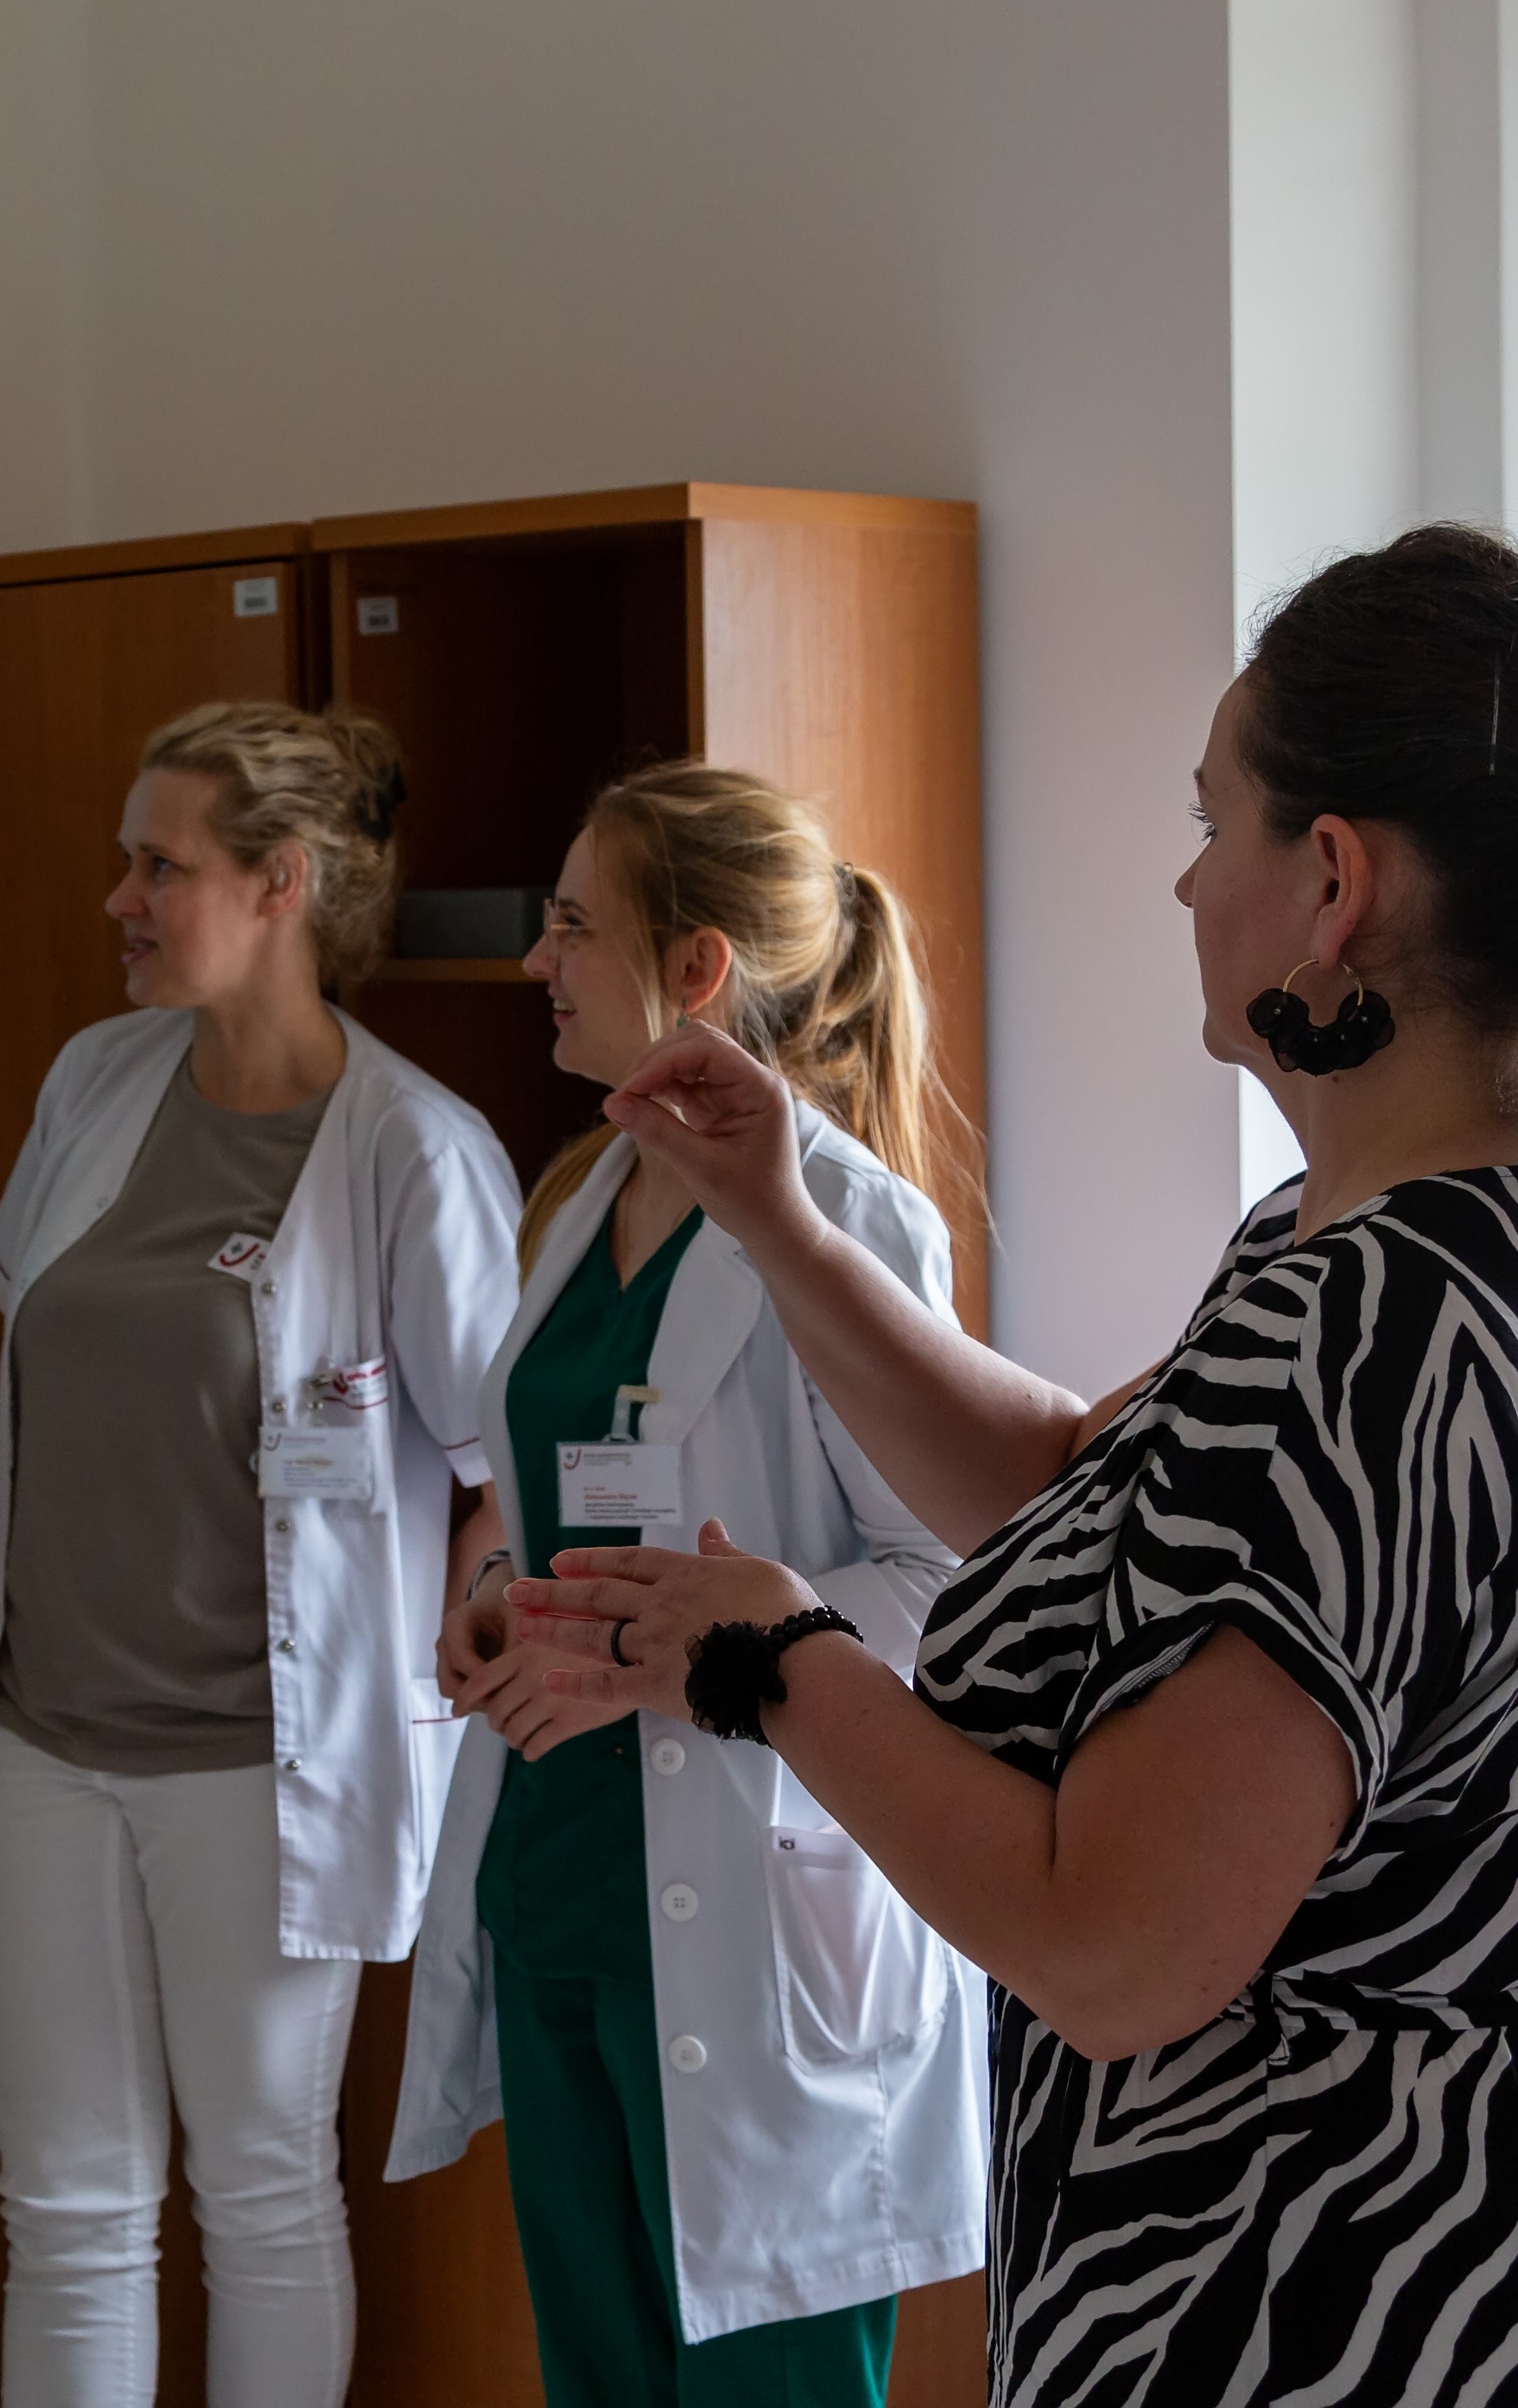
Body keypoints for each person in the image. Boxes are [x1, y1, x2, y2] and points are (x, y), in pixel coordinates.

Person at [515, 526, 1518, 2405]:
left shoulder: (1384, 1323)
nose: (1190, 877)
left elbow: (1110, 1941)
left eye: (1216, 822)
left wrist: (774, 1657)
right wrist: (780, 1212)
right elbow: (1067, 1487)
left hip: (1361, 2293)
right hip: (1482, 2251)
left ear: (1334, 880)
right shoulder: (1435, 1234)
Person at [0, 702, 521, 2408]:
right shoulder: (97, 1079)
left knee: (262, 2189)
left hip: (263, 1762)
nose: (121, 901)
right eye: (127, 861)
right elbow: (7, 1403)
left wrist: (468, 1628)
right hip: (46, 1742)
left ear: (281, 883)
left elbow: (500, 1471)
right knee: (69, 2207)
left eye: (162, 866)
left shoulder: (413, 1150)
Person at [388, 765, 983, 2407]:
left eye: (574, 925)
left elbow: (949, 1585)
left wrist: (695, 1648)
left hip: (749, 1905)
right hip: (559, 1884)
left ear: (698, 967)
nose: (538, 959)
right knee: (600, 2376)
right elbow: (546, 1501)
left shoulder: (849, 1224)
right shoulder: (578, 1198)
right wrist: (498, 1587)